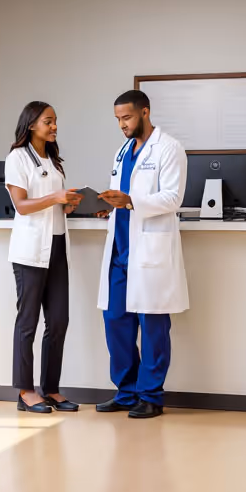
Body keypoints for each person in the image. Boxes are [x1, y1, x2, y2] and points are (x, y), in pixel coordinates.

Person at [94, 90, 189, 419]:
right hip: (121, 250)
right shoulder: (123, 150)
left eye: (127, 118)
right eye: (118, 119)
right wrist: (108, 206)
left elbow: (173, 198)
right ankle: (126, 391)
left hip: (149, 250)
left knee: (152, 325)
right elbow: (123, 195)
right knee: (115, 321)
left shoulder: (169, 148)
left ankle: (150, 395)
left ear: (145, 112)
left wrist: (131, 201)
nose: (122, 125)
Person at [4, 101, 83, 414]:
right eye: (48, 121)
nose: (54, 127)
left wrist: (67, 205)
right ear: (31, 124)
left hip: (57, 245)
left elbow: (50, 204)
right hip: (29, 252)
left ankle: (51, 389)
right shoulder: (17, 158)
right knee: (28, 323)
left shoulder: (52, 158)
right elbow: (21, 205)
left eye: (54, 122)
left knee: (59, 320)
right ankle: (26, 391)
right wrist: (55, 198)